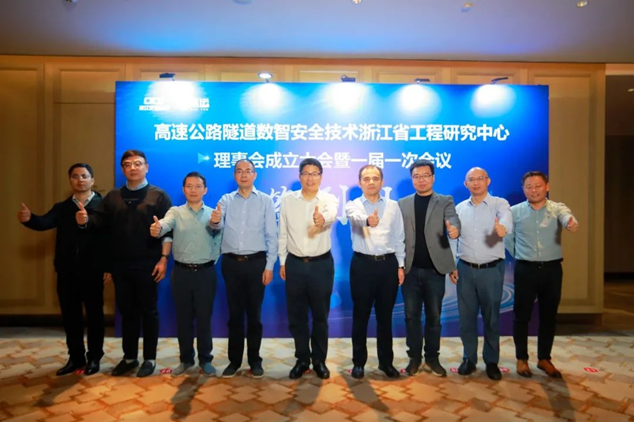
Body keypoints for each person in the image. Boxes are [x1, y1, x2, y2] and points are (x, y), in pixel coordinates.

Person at [78, 149, 172, 377]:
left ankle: (149, 359)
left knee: (149, 311)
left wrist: (163, 259)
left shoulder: (158, 196)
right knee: (127, 312)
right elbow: (100, 225)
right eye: (128, 164)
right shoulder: (113, 197)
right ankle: (129, 357)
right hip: (120, 264)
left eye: (138, 164)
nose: (133, 168)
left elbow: (169, 231)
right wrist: (85, 220)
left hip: (148, 264)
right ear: (123, 169)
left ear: (146, 167)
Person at [19, 163, 108, 376]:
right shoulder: (62, 207)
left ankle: (94, 357)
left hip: (93, 270)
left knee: (95, 316)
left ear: (92, 180)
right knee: (70, 316)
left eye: (84, 176)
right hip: (67, 271)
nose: (80, 180)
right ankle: (75, 358)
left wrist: (108, 267)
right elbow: (44, 222)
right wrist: (29, 219)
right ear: (70, 181)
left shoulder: (104, 206)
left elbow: (110, 239)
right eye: (75, 176)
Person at [505, 171, 578, 379]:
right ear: (523, 189)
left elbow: (567, 218)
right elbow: (508, 239)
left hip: (552, 270)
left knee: (549, 315)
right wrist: (521, 255)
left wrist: (571, 222)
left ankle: (544, 358)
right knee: (522, 316)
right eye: (529, 187)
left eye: (537, 186)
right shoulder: (514, 211)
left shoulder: (558, 208)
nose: (533, 190)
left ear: (547, 186)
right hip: (525, 269)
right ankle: (522, 358)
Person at [208, 159, 277, 379]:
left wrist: (269, 266)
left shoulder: (265, 200)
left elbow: (272, 235)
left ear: (255, 175)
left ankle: (255, 360)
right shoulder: (226, 200)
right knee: (235, 315)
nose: (244, 175)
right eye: (239, 171)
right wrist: (215, 221)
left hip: (257, 263)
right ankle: (234, 361)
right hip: (231, 264)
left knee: (254, 315)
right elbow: (216, 226)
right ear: (234, 175)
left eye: (248, 171)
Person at [150, 172, 221, 376]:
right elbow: (165, 225)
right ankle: (186, 359)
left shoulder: (213, 214)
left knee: (204, 318)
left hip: (205, 273)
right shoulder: (175, 212)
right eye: (189, 186)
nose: (193, 190)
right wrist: (157, 228)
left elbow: (218, 236)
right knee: (183, 319)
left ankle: (205, 359)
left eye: (198, 186)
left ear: (205, 190)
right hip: (181, 273)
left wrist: (211, 259)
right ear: (183, 190)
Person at [398, 159, 460, 377]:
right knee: (411, 316)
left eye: (425, 175)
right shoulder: (403, 203)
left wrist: (454, 230)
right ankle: (414, 358)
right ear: (412, 179)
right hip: (410, 270)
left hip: (435, 270)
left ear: (433, 178)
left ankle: (432, 357)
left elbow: (453, 220)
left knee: (434, 316)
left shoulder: (445, 201)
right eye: (416, 176)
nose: (421, 180)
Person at [449, 167, 512, 381]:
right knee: (466, 319)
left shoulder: (499, 204)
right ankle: (469, 358)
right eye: (471, 179)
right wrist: (452, 265)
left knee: (491, 318)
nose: (476, 183)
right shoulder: (459, 208)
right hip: (465, 270)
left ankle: (491, 361)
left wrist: (503, 228)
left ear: (488, 181)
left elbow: (506, 220)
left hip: (491, 270)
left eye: (480, 179)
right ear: (465, 184)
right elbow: (453, 238)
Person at [278, 158, 339, 380]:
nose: (310, 178)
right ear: (299, 176)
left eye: (314, 173)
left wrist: (322, 219)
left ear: (321, 177)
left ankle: (319, 361)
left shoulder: (329, 199)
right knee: (297, 316)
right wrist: (282, 261)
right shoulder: (288, 200)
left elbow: (331, 214)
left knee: (321, 316)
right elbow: (282, 232)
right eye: (306, 173)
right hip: (294, 263)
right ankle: (302, 359)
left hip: (321, 265)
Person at [344, 165, 405, 379]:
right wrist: (368, 221)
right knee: (360, 316)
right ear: (360, 182)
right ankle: (358, 363)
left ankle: (386, 362)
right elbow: (355, 218)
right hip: (362, 265)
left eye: (375, 178)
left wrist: (400, 265)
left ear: (382, 182)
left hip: (388, 265)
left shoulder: (393, 206)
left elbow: (399, 237)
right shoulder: (353, 205)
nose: (371, 182)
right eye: (366, 178)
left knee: (385, 317)